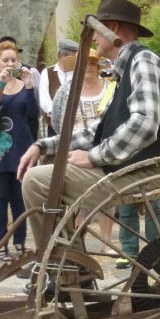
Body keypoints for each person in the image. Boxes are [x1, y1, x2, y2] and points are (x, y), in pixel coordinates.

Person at [18, 0, 160, 257]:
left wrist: (95, 157)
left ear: (114, 29)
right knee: (46, 172)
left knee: (36, 180)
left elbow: (144, 124)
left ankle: (62, 266)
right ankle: (68, 264)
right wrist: (43, 145)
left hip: (151, 169)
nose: (93, 39)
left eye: (96, 31)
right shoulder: (126, 71)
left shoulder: (144, 61)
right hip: (135, 166)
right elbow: (98, 131)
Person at [47, 48, 116, 254]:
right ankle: (77, 244)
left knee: (106, 196)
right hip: (73, 152)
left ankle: (107, 243)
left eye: (93, 63)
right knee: (77, 200)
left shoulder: (110, 89)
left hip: (102, 150)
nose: (88, 67)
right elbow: (58, 122)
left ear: (98, 66)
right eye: (84, 63)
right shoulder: (65, 91)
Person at [0, 41, 39, 261]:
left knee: (19, 198)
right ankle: (2, 244)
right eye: (5, 60)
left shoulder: (25, 84)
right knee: (1, 196)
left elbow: (33, 114)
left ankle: (20, 242)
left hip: (21, 146)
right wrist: (1, 84)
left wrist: (30, 86)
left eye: (13, 60)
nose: (10, 63)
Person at [39, 39, 79, 136]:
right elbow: (44, 99)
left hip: (76, 124)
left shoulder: (78, 73)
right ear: (62, 56)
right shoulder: (47, 72)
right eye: (73, 57)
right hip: (53, 124)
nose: (76, 61)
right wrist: (58, 114)